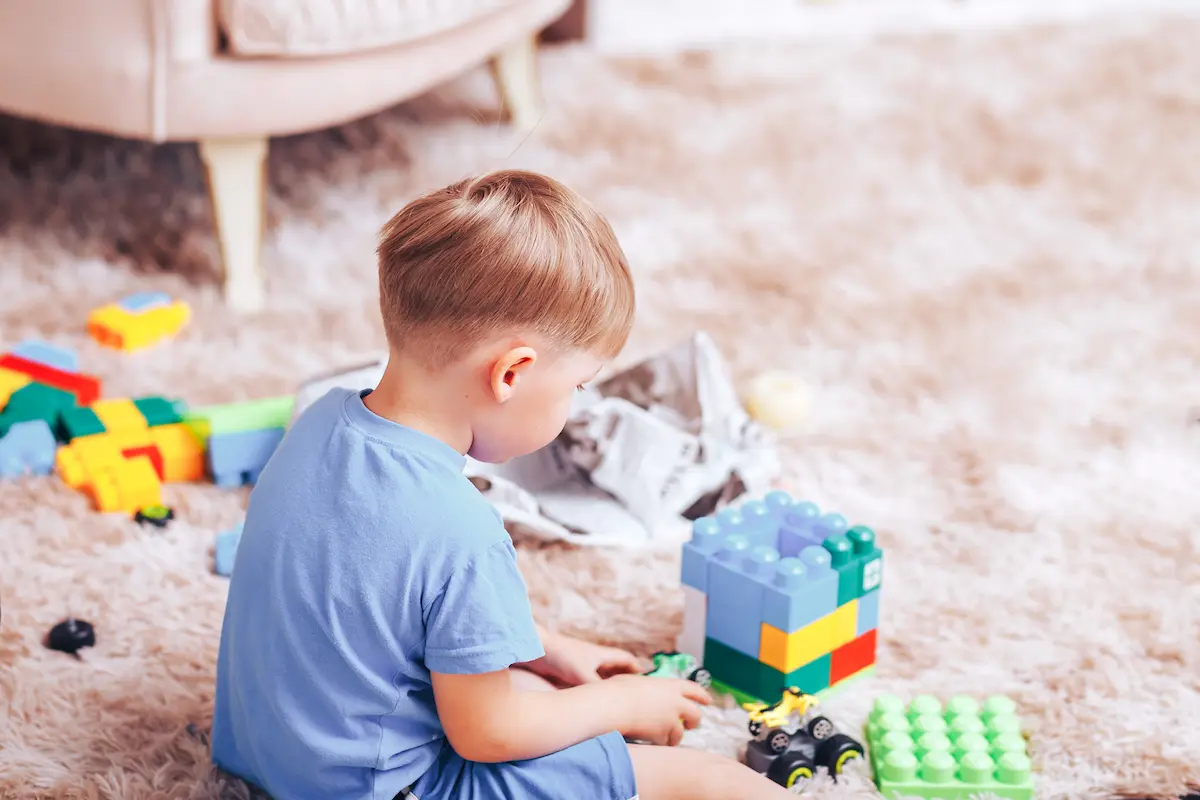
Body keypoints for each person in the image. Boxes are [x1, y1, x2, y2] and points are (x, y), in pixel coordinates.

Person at [211, 170, 794, 800]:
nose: (576, 403)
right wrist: (622, 703)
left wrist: (542, 648)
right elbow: (487, 734)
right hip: (381, 789)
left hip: (273, 756)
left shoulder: (318, 423)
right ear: (512, 373)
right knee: (707, 781)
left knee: (544, 693)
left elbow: (372, 602)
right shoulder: (462, 529)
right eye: (577, 386)